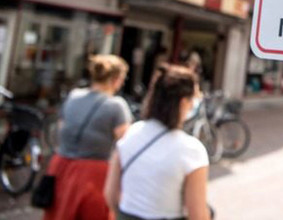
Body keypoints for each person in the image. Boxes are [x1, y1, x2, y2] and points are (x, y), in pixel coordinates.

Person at [104, 65, 211, 220]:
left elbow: (110, 194)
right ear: (183, 103)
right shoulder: (191, 150)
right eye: (195, 98)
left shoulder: (132, 132)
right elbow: (198, 215)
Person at [43, 55, 132, 220]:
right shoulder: (116, 106)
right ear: (115, 79)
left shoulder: (74, 96)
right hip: (93, 173)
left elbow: (62, 128)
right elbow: (126, 144)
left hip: (60, 166)